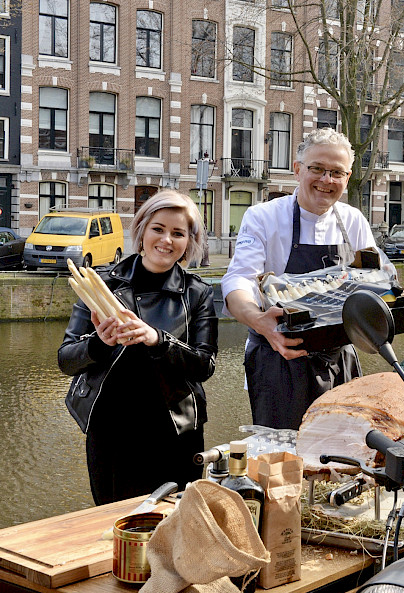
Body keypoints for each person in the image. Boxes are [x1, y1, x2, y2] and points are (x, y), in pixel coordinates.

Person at [59, 190, 218, 505]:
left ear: (189, 241)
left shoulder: (197, 292)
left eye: (178, 233)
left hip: (175, 431)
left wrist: (158, 339)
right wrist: (100, 343)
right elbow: (66, 360)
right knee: (116, 520)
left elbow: (205, 364)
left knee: (175, 522)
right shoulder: (102, 284)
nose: (166, 240)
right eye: (158, 228)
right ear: (142, 230)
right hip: (112, 431)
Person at [222, 128, 379, 430]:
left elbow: (377, 279)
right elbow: (238, 281)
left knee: (342, 450)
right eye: (317, 169)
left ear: (347, 178)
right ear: (297, 170)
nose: (326, 180)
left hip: (339, 359)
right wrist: (259, 321)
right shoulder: (263, 217)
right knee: (283, 453)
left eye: (337, 172)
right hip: (278, 360)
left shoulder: (354, 221)